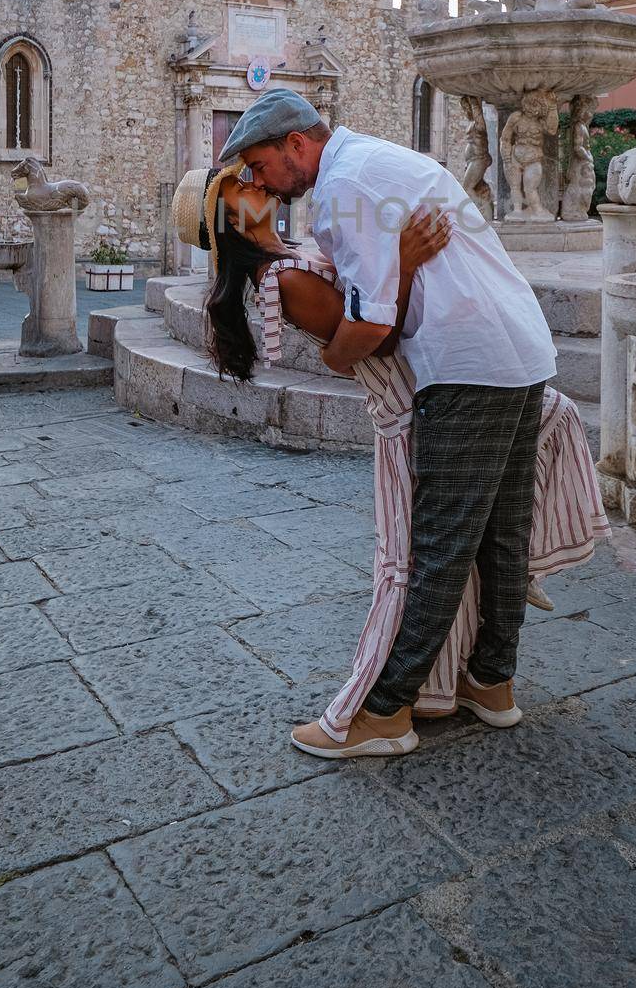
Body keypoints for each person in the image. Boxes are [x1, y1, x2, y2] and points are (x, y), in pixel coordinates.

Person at [171, 106, 609, 758]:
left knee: (435, 555)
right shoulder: (337, 206)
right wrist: (398, 267)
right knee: (496, 537)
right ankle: (490, 681)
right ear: (230, 217)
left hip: (465, 368)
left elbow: (367, 333)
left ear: (296, 142)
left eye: (257, 167)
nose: (258, 182)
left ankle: (385, 711)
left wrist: (387, 281)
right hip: (512, 351)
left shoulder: (342, 190)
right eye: (245, 180)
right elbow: (361, 331)